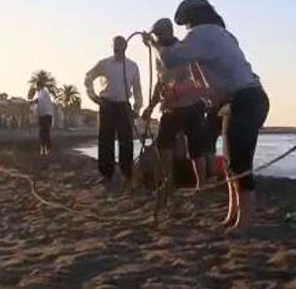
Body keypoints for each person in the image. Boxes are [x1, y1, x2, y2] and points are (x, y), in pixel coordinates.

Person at [159, 0, 269, 233]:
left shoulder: (201, 35)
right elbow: (207, 83)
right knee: (230, 162)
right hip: (248, 98)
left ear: (191, 19)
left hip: (245, 100)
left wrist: (161, 40)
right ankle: (233, 215)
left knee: (239, 162)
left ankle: (244, 222)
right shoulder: (224, 35)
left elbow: (171, 58)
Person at [141, 18, 212, 189]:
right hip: (171, 106)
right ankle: (169, 181)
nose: (156, 37)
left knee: (195, 146)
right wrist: (151, 106)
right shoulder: (160, 51)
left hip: (191, 104)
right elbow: (160, 82)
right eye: (155, 35)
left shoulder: (181, 50)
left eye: (158, 34)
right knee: (163, 143)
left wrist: (152, 44)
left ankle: (200, 184)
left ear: (168, 32)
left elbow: (193, 77)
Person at [84, 36, 143, 182]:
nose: (118, 47)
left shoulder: (132, 66)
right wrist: (94, 97)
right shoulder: (104, 64)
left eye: (121, 45)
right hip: (107, 105)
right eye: (116, 45)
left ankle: (127, 172)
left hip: (124, 105)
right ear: (112, 46)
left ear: (126, 46)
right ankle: (106, 174)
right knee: (105, 140)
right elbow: (88, 77)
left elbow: (137, 89)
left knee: (126, 140)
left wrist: (137, 108)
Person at [30, 83, 54, 156]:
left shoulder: (43, 92)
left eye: (37, 87)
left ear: (39, 86)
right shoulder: (41, 92)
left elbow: (39, 100)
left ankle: (46, 149)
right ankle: (44, 149)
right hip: (44, 115)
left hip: (46, 115)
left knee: (44, 132)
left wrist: (32, 102)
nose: (37, 88)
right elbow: (39, 103)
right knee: (43, 132)